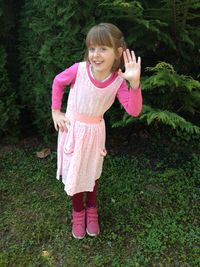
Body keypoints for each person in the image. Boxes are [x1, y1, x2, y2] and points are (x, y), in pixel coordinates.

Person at [51, 23, 142, 239]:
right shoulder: (79, 70)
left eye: (103, 49)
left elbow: (134, 110)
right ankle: (78, 212)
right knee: (76, 171)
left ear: (118, 53)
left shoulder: (119, 81)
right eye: (92, 48)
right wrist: (56, 111)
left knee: (92, 171)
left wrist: (135, 84)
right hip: (73, 131)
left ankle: (92, 210)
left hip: (95, 134)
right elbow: (58, 82)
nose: (96, 54)